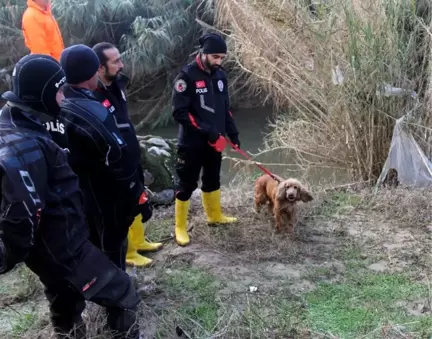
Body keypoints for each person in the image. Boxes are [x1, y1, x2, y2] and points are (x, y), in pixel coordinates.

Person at [0, 54, 140, 339]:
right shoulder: (24, 145)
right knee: (124, 294)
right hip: (65, 248)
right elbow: (18, 211)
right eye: (60, 92)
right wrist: (9, 253)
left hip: (51, 247)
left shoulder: (17, 123)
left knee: (64, 301)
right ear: (44, 94)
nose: (64, 99)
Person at [46, 44, 145, 271]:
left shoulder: (59, 103)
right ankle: (117, 292)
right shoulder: (90, 109)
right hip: (102, 190)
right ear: (93, 73)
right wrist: (131, 188)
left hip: (77, 190)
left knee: (94, 239)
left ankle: (103, 284)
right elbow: (115, 154)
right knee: (112, 240)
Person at [92, 42, 163, 267]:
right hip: (114, 159)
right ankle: (129, 253)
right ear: (100, 68)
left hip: (130, 150)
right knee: (123, 205)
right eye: (116, 62)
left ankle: (139, 241)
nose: (122, 65)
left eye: (120, 59)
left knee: (137, 196)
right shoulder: (93, 95)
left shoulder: (118, 84)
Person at [171, 33, 240, 246]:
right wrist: (206, 130)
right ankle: (180, 227)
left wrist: (233, 132)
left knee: (213, 178)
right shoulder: (186, 77)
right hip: (192, 142)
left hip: (216, 141)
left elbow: (225, 109)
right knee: (186, 184)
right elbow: (180, 113)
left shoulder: (220, 76)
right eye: (216, 57)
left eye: (222, 57)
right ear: (204, 53)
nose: (219, 61)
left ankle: (214, 215)